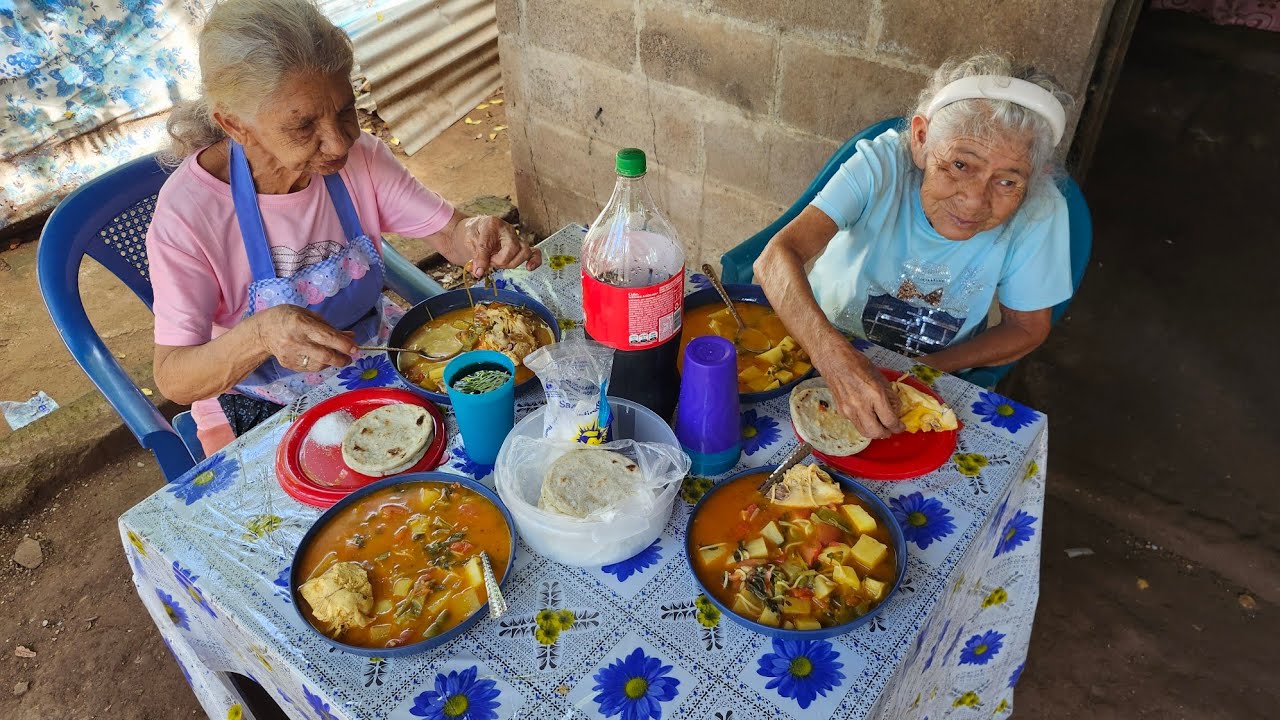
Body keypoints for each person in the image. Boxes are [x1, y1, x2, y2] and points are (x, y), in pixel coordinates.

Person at [146, 0, 540, 455]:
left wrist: (476, 232)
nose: (338, 143)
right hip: (260, 398)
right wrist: (262, 334)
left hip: (375, 357)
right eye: (304, 125)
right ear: (236, 125)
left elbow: (451, 235)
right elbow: (174, 376)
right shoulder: (189, 214)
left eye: (345, 111)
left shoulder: (362, 159)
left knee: (492, 442)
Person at [754, 54, 1074, 440]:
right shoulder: (883, 164)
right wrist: (833, 358)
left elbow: (1026, 327)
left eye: (1007, 182)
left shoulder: (1040, 208)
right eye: (959, 165)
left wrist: (923, 369)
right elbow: (775, 257)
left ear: (1035, 176)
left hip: (933, 370)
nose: (974, 201)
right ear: (921, 139)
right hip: (817, 342)